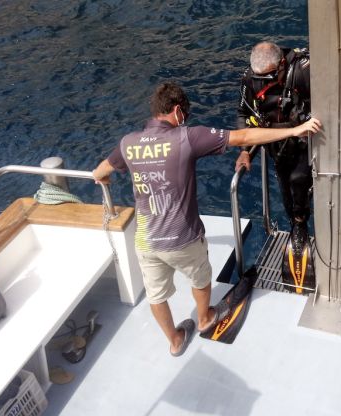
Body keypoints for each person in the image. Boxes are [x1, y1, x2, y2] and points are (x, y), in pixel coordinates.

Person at [92, 82, 321, 357]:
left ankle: (175, 341)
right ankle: (204, 318)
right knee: (200, 277)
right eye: (184, 115)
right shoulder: (186, 137)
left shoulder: (128, 143)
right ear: (177, 111)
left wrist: (103, 177)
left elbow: (99, 172)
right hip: (182, 238)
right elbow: (243, 136)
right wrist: (295, 129)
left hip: (147, 240)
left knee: (156, 294)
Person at [234, 40, 314, 292]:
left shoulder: (303, 71)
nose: (263, 82)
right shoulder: (250, 78)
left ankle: (301, 222)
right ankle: (296, 223)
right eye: (259, 77)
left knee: (299, 179)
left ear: (281, 64)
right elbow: (241, 114)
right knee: (284, 184)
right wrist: (245, 150)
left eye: (268, 76)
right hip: (275, 143)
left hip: (305, 139)